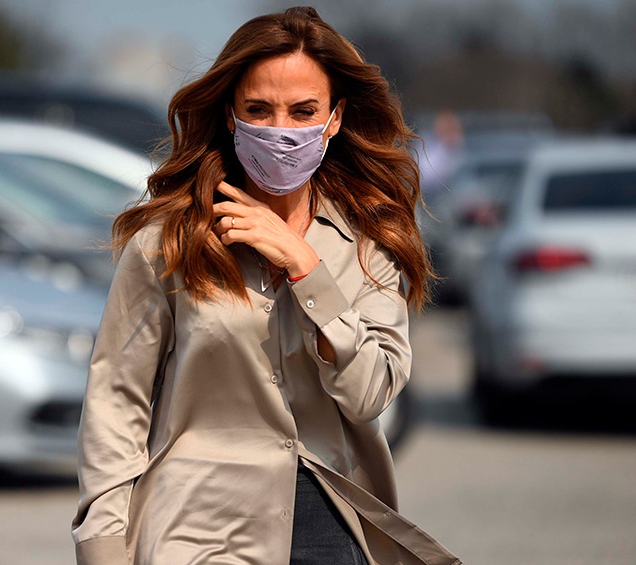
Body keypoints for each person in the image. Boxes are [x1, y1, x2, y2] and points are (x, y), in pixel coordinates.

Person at [72, 7, 460, 565]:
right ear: (231, 115)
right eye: (259, 110)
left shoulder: (370, 241)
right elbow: (115, 402)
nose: (281, 132)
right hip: (194, 532)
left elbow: (371, 393)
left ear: (334, 119)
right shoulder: (169, 240)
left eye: (303, 112)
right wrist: (103, 549)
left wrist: (307, 269)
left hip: (332, 526)